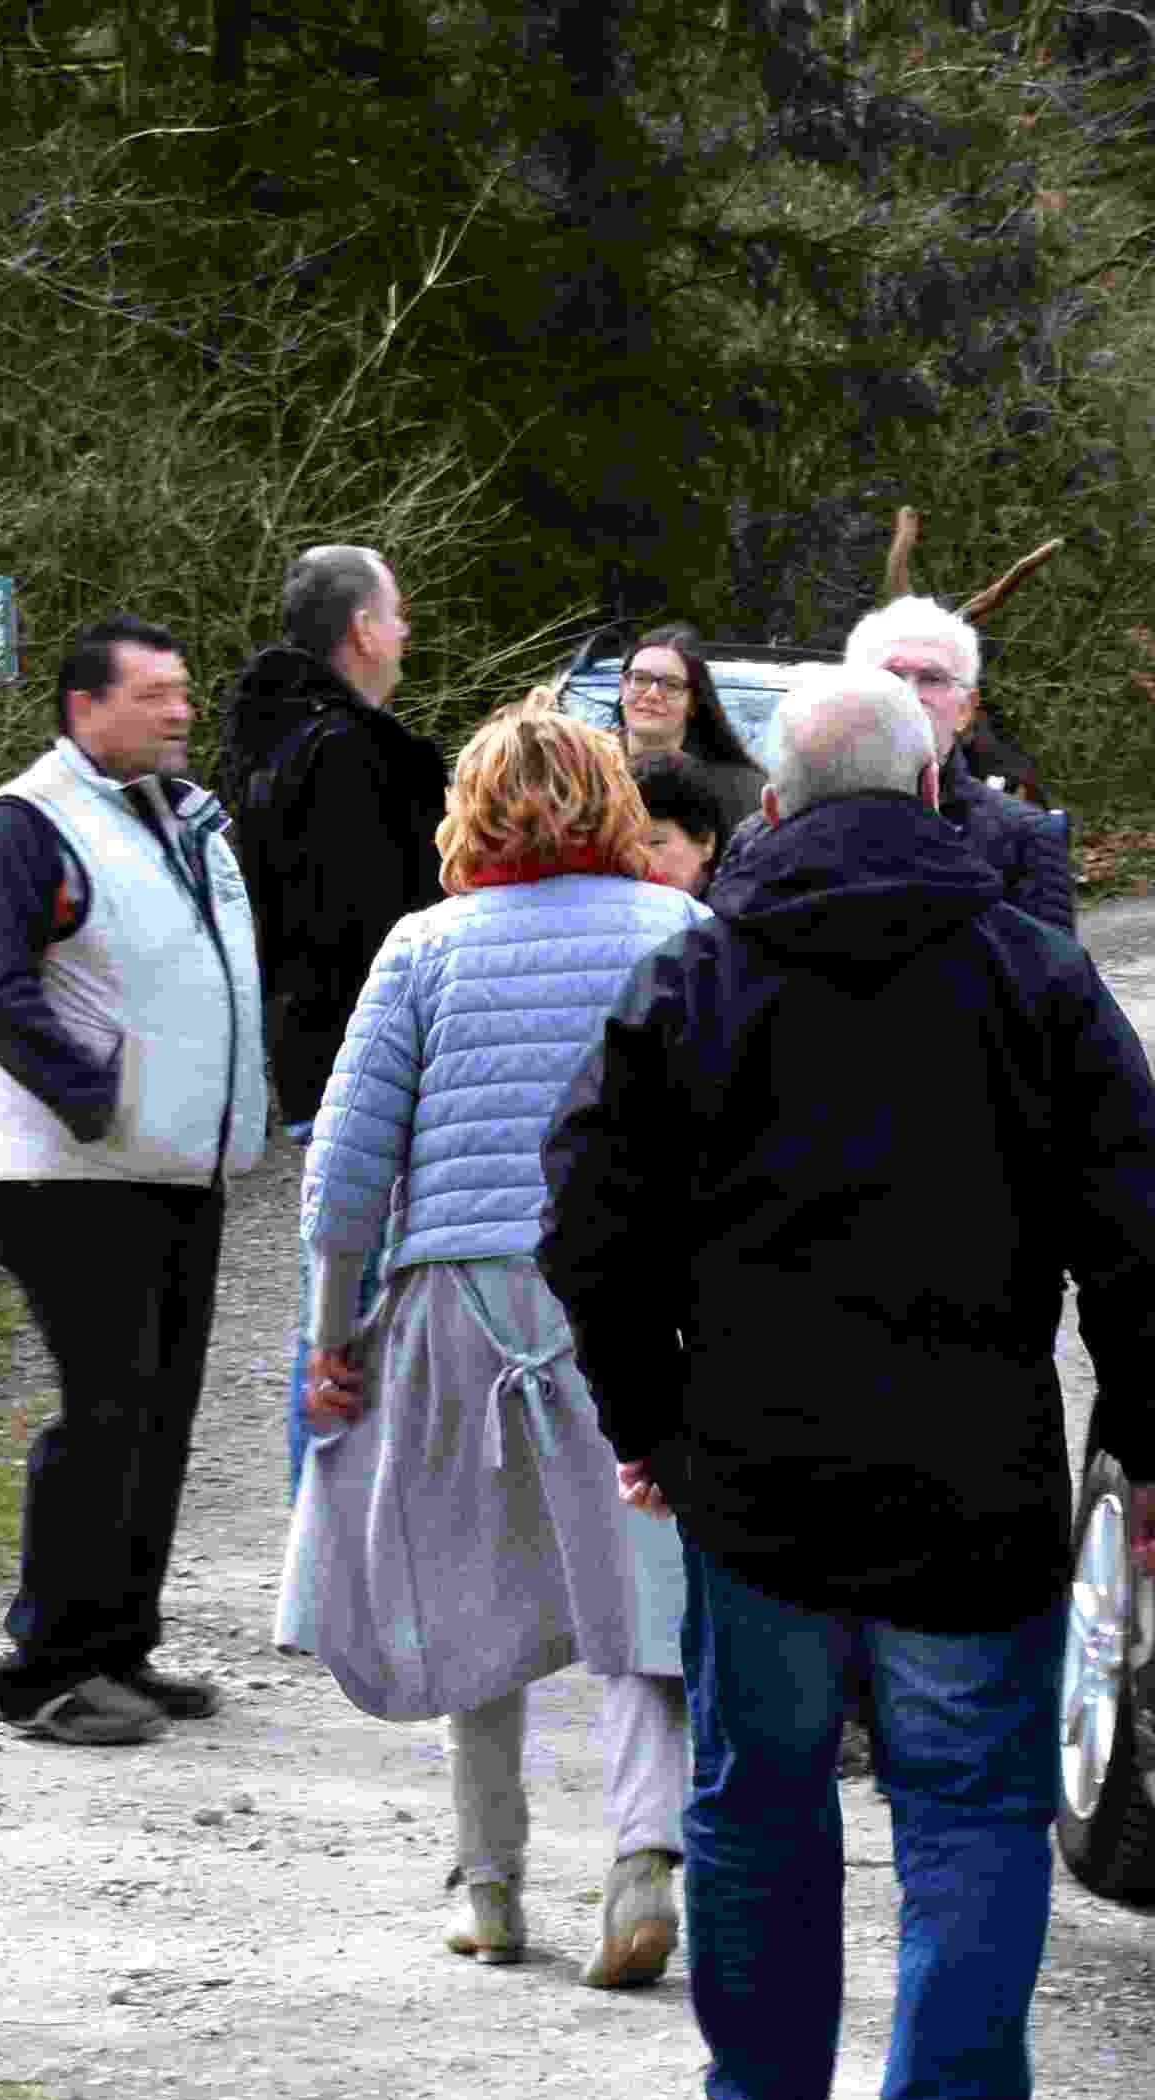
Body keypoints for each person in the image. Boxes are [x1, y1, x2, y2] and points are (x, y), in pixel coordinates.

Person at [543, 664, 1155, 2100]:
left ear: (771, 802)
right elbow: (1142, 1228)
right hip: (973, 1473)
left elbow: (589, 1222)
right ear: (933, 791)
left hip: (753, 1472)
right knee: (972, 1806)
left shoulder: (698, 978)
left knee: (756, 1797)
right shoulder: (1034, 977)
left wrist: (646, 1421)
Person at [287, 706, 707, 1986]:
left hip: (455, 1302)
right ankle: (641, 1860)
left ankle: (489, 1888)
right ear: (611, 802)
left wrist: (329, 1336)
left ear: (467, 812)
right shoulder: (678, 932)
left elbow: (344, 1173)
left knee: (466, 1581)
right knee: (644, 1584)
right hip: (631, 1297)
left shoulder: (424, 947)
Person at [0, 615, 269, 1747]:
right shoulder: (25, 824)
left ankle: (117, 1647)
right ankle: (44, 1673)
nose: (182, 710)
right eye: (153, 694)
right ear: (84, 707)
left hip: (176, 1169)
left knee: (158, 1418)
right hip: (70, 1177)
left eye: (184, 689)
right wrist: (99, 1098)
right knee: (105, 1413)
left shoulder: (181, 821)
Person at [217, 544, 447, 1131]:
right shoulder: (357, 754)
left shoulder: (270, 738)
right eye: (396, 615)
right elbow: (376, 927)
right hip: (376, 1069)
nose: (405, 631)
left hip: (308, 1058)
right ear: (364, 630)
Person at [841, 595, 1076, 934]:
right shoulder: (788, 827)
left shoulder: (1024, 839)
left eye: (932, 678)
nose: (909, 694)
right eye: (890, 675)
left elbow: (1053, 966)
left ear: (966, 709)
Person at [608, 622, 764, 835]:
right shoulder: (584, 771)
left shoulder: (742, 791)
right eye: (641, 679)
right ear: (622, 687)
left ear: (693, 702)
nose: (652, 694)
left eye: (671, 685)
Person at [626, 752, 731, 894]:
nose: (638, 860)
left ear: (707, 842)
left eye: (655, 842)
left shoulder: (744, 903)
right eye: (628, 846)